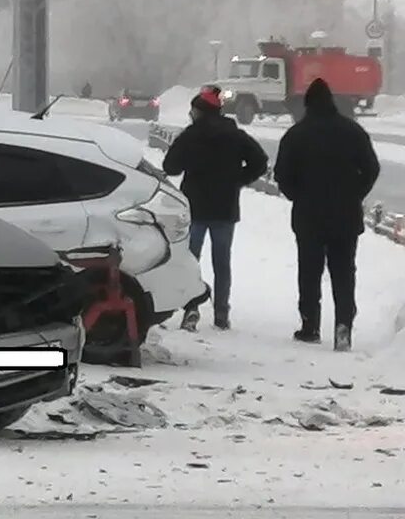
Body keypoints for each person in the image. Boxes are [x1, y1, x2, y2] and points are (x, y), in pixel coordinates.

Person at [273, 78, 380, 351]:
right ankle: (343, 325)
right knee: (344, 272)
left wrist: (298, 195)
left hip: (309, 216)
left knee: (309, 271)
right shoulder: (353, 132)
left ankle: (310, 325)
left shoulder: (296, 135)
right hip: (345, 215)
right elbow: (371, 168)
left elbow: (282, 175)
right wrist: (356, 193)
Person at [162, 85, 268, 331]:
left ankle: (191, 308)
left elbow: (171, 167)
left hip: (195, 206)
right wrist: (239, 179)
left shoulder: (190, 135)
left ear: (198, 111)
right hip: (225, 206)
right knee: (222, 261)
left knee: (191, 260)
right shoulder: (236, 135)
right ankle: (222, 312)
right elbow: (260, 162)